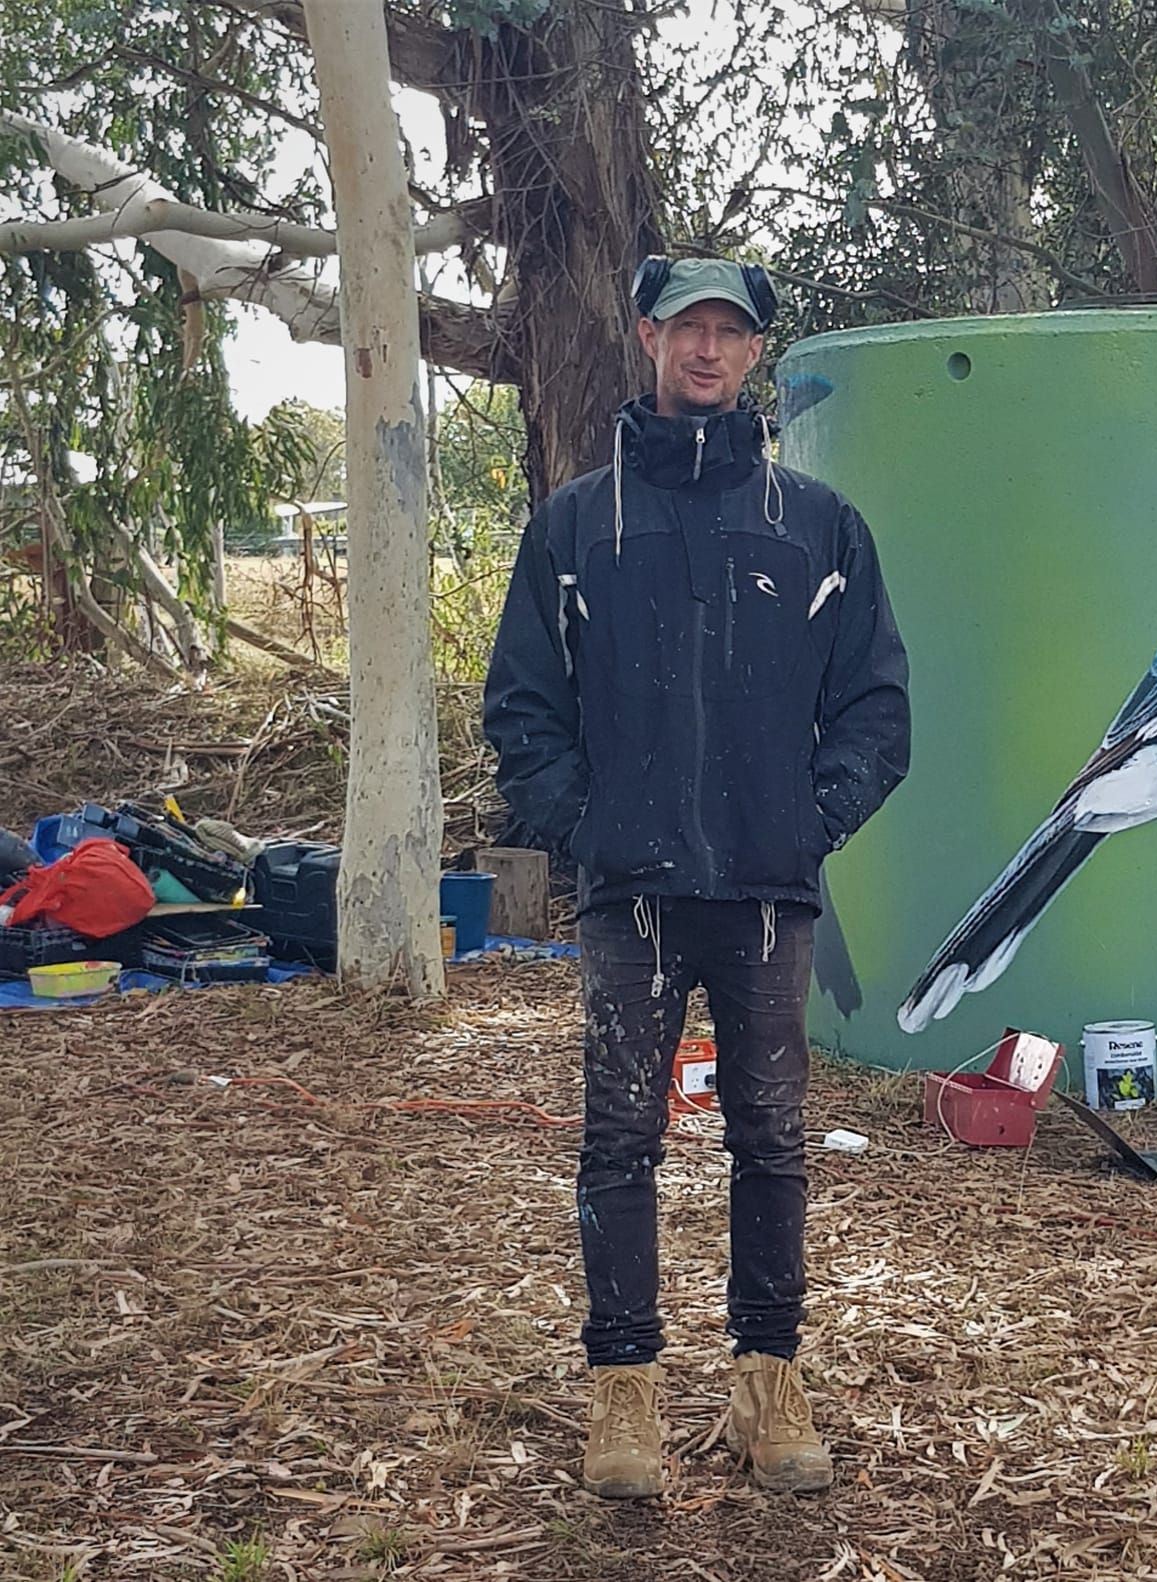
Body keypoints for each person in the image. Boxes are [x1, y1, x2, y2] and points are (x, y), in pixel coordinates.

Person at [483, 256, 910, 1496]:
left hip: (766, 900)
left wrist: (804, 820)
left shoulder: (816, 526)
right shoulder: (577, 525)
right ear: (646, 337)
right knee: (619, 1140)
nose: (708, 351)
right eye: (687, 329)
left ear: (756, 354)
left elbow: (875, 710)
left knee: (771, 1140)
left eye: (731, 332)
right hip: (634, 901)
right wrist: (588, 828)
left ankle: (765, 1387)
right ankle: (622, 1397)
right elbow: (521, 707)